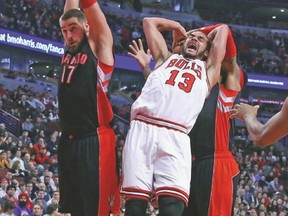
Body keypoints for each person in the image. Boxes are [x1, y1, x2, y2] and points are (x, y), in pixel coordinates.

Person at [127, 23, 247, 215]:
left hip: (214, 162)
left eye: (201, 42)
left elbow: (226, 44)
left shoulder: (225, 81)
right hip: (184, 157)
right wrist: (146, 69)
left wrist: (196, 33)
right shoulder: (187, 77)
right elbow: (162, 93)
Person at [58, 0, 121, 215]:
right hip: (68, 139)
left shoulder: (98, 46)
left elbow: (89, 11)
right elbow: (71, 12)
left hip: (94, 138)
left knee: (96, 208)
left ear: (86, 27)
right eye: (64, 31)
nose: (68, 34)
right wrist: (70, 23)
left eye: (73, 29)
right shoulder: (70, 46)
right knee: (75, 208)